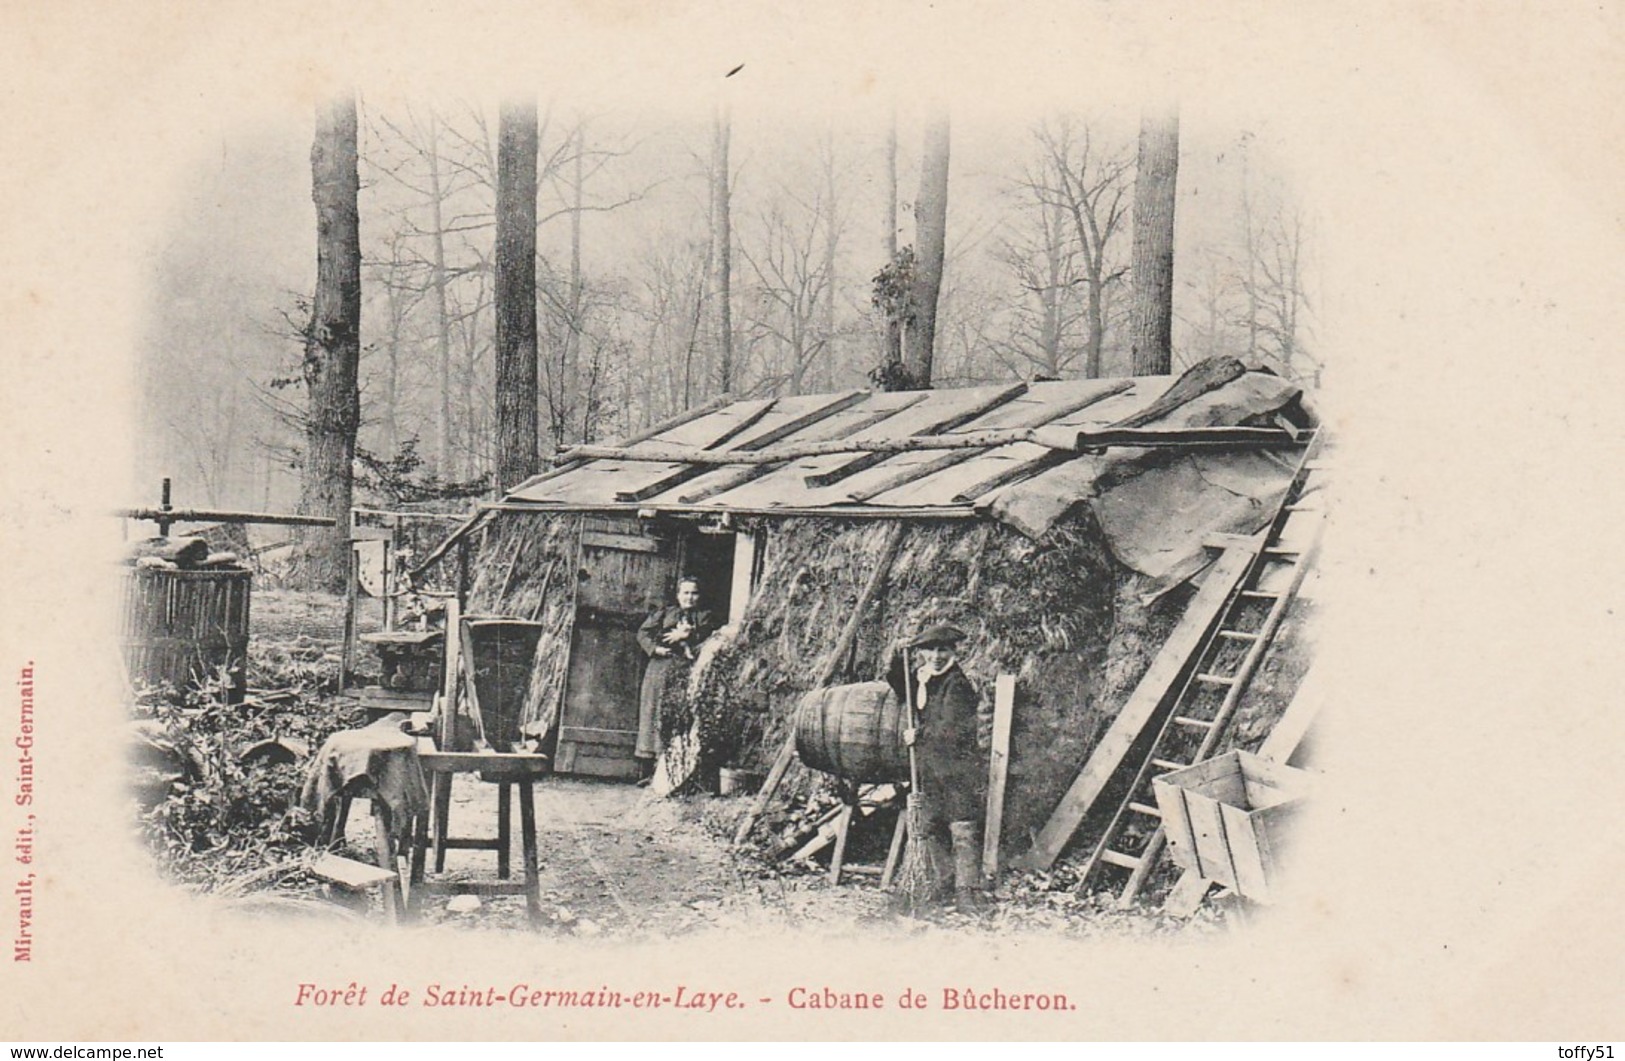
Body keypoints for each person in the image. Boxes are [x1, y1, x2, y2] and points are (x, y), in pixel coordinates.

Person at [901, 622, 992, 912]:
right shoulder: (926, 678)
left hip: (958, 767)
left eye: (943, 650)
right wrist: (898, 653)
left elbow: (952, 731)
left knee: (961, 826)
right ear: (922, 653)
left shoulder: (957, 684)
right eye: (930, 650)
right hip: (932, 766)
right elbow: (897, 682)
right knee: (933, 826)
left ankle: (967, 892)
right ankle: (943, 884)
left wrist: (920, 735)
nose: (937, 656)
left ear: (953, 651)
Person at [634, 575, 718, 784]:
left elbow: (708, 639)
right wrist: (655, 649)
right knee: (653, 711)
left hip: (685, 670)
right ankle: (649, 771)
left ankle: (671, 771)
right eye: (685, 593)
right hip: (659, 669)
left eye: (694, 593)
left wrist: (686, 636)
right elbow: (643, 633)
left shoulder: (705, 616)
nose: (689, 598)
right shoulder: (665, 613)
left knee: (676, 715)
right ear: (678, 595)